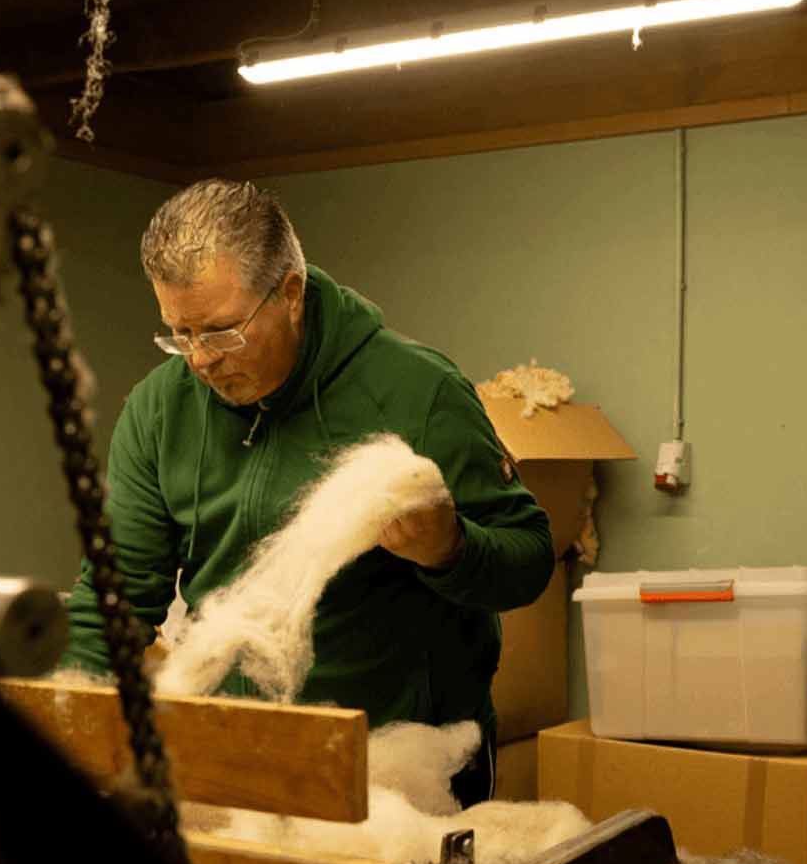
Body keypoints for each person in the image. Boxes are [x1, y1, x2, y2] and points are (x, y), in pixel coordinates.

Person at [61, 179, 553, 804]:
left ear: (289, 295)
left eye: (219, 332)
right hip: (238, 764)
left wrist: (449, 550)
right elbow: (116, 600)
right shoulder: (159, 412)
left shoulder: (416, 393)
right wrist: (62, 718)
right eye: (177, 333)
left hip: (407, 773)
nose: (199, 361)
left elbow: (530, 559)